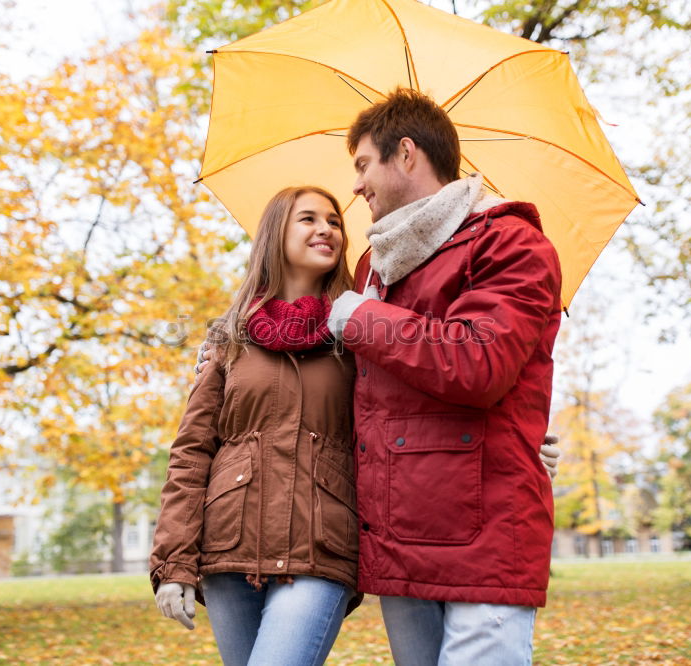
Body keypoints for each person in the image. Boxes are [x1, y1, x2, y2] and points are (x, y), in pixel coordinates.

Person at [322, 88, 563, 665]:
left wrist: (362, 317)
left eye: (362, 164)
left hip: (484, 533)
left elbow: (479, 363)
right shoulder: (373, 267)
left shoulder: (510, 242)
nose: (355, 185)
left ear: (406, 154)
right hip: (399, 531)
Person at [149, 186, 362, 666]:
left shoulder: (359, 333)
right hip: (228, 547)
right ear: (275, 234)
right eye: (308, 219)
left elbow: (402, 420)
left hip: (319, 547)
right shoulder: (228, 338)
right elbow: (191, 451)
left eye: (334, 221)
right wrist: (174, 562)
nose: (326, 229)